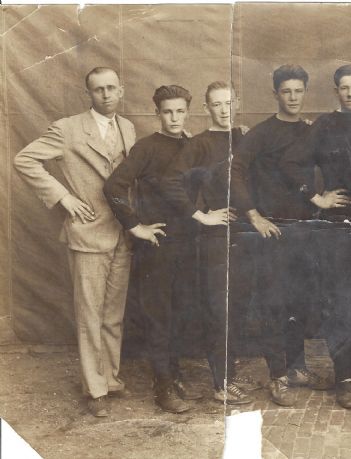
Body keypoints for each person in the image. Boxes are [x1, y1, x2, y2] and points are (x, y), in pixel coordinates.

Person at [14, 67, 136, 417]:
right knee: (89, 314)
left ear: (121, 90)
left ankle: (110, 378)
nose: (106, 94)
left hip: (121, 234)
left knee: (113, 315)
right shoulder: (68, 129)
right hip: (86, 235)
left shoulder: (127, 128)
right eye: (99, 90)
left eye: (112, 88)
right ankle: (94, 388)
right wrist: (63, 197)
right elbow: (25, 159)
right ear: (89, 95)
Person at [161, 82, 272, 406]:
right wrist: (200, 214)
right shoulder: (198, 144)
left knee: (237, 308)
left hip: (245, 235)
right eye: (216, 104)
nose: (224, 110)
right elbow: (171, 181)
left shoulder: (245, 137)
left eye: (228, 103)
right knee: (219, 311)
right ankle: (220, 385)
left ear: (236, 103)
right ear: (207, 108)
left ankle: (227, 374)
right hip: (214, 239)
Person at [281, 64, 351, 409]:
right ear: (336, 91)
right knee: (340, 303)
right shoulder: (324, 126)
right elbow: (292, 163)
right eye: (344, 88)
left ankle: (349, 369)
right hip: (336, 226)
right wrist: (317, 197)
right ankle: (343, 380)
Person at [104, 85, 205, 413]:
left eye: (179, 111)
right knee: (159, 315)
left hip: (188, 243)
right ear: (157, 114)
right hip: (157, 245)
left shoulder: (193, 145)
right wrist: (135, 226)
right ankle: (162, 385)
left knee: (181, 311)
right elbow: (114, 186)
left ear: (187, 112)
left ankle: (172, 375)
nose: (174, 117)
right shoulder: (146, 147)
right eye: (167, 112)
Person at [230, 64, 330, 391]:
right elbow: (236, 172)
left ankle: (297, 368)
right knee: (274, 304)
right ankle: (277, 376)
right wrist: (254, 215)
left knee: (300, 302)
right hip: (272, 232)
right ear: (275, 94)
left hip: (305, 229)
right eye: (286, 91)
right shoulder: (260, 133)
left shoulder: (310, 130)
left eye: (299, 91)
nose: (293, 97)